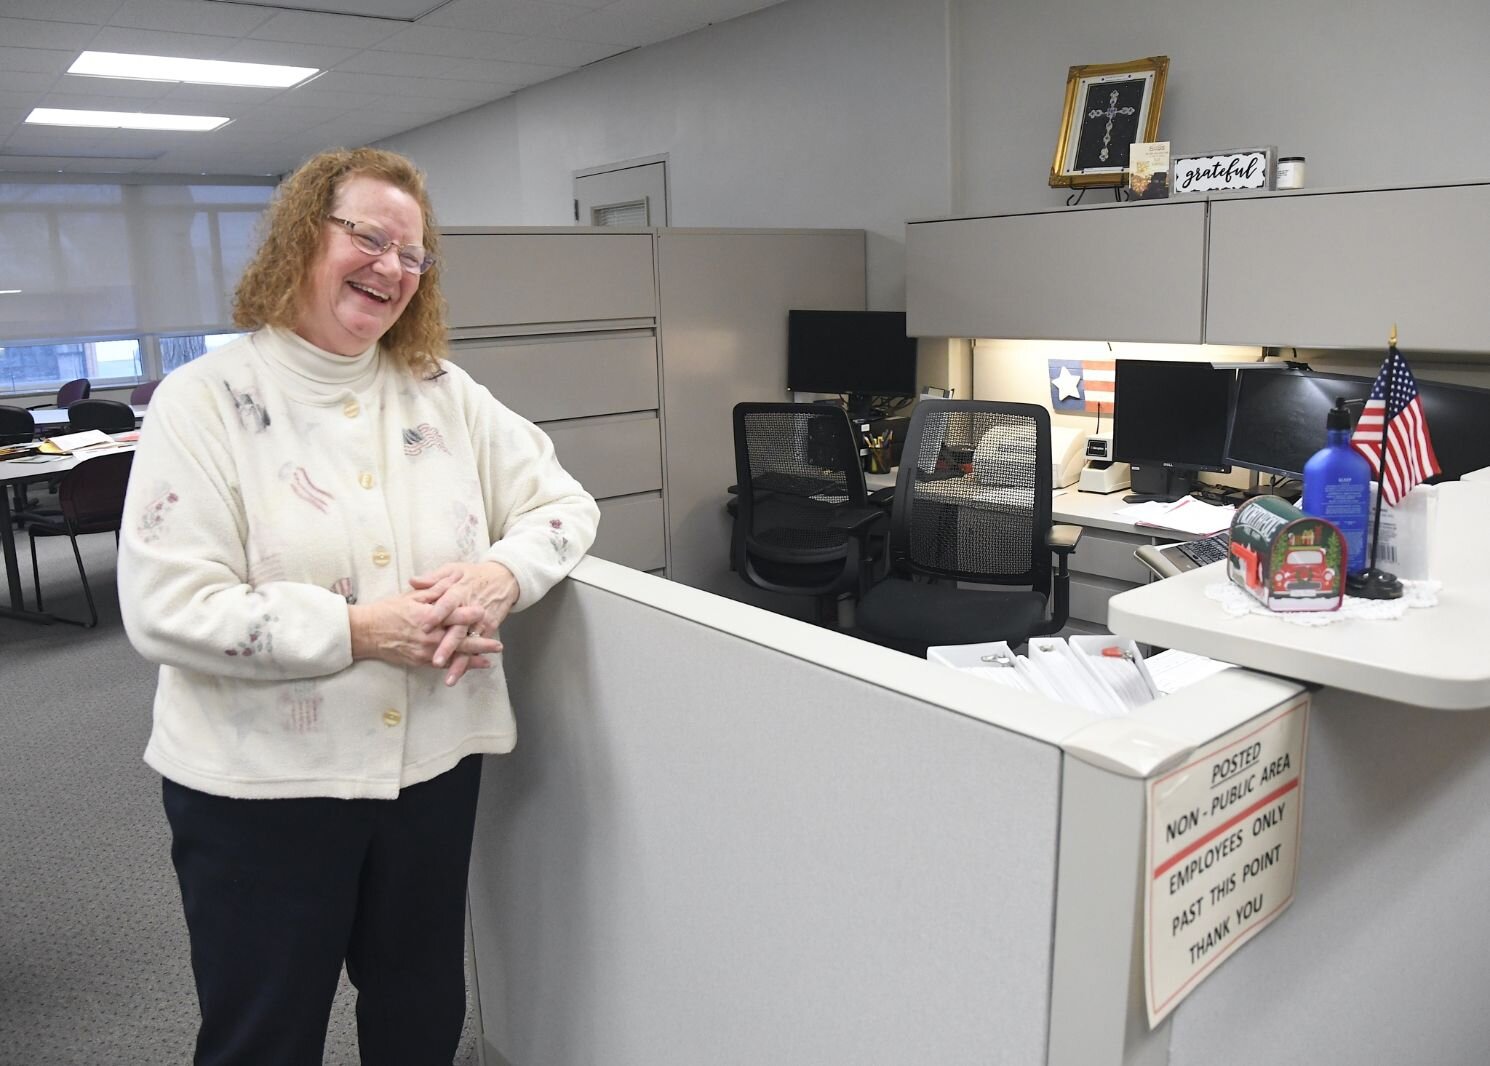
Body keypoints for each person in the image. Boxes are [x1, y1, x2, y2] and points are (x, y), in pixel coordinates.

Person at [117, 146, 599, 1065]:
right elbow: (165, 606)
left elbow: (564, 505)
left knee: (420, 1016)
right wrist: (356, 629)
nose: (392, 268)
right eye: (369, 238)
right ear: (305, 237)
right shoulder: (205, 403)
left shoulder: (443, 394)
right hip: (263, 788)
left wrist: (501, 575)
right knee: (265, 1032)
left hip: (430, 773)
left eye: (413, 256)